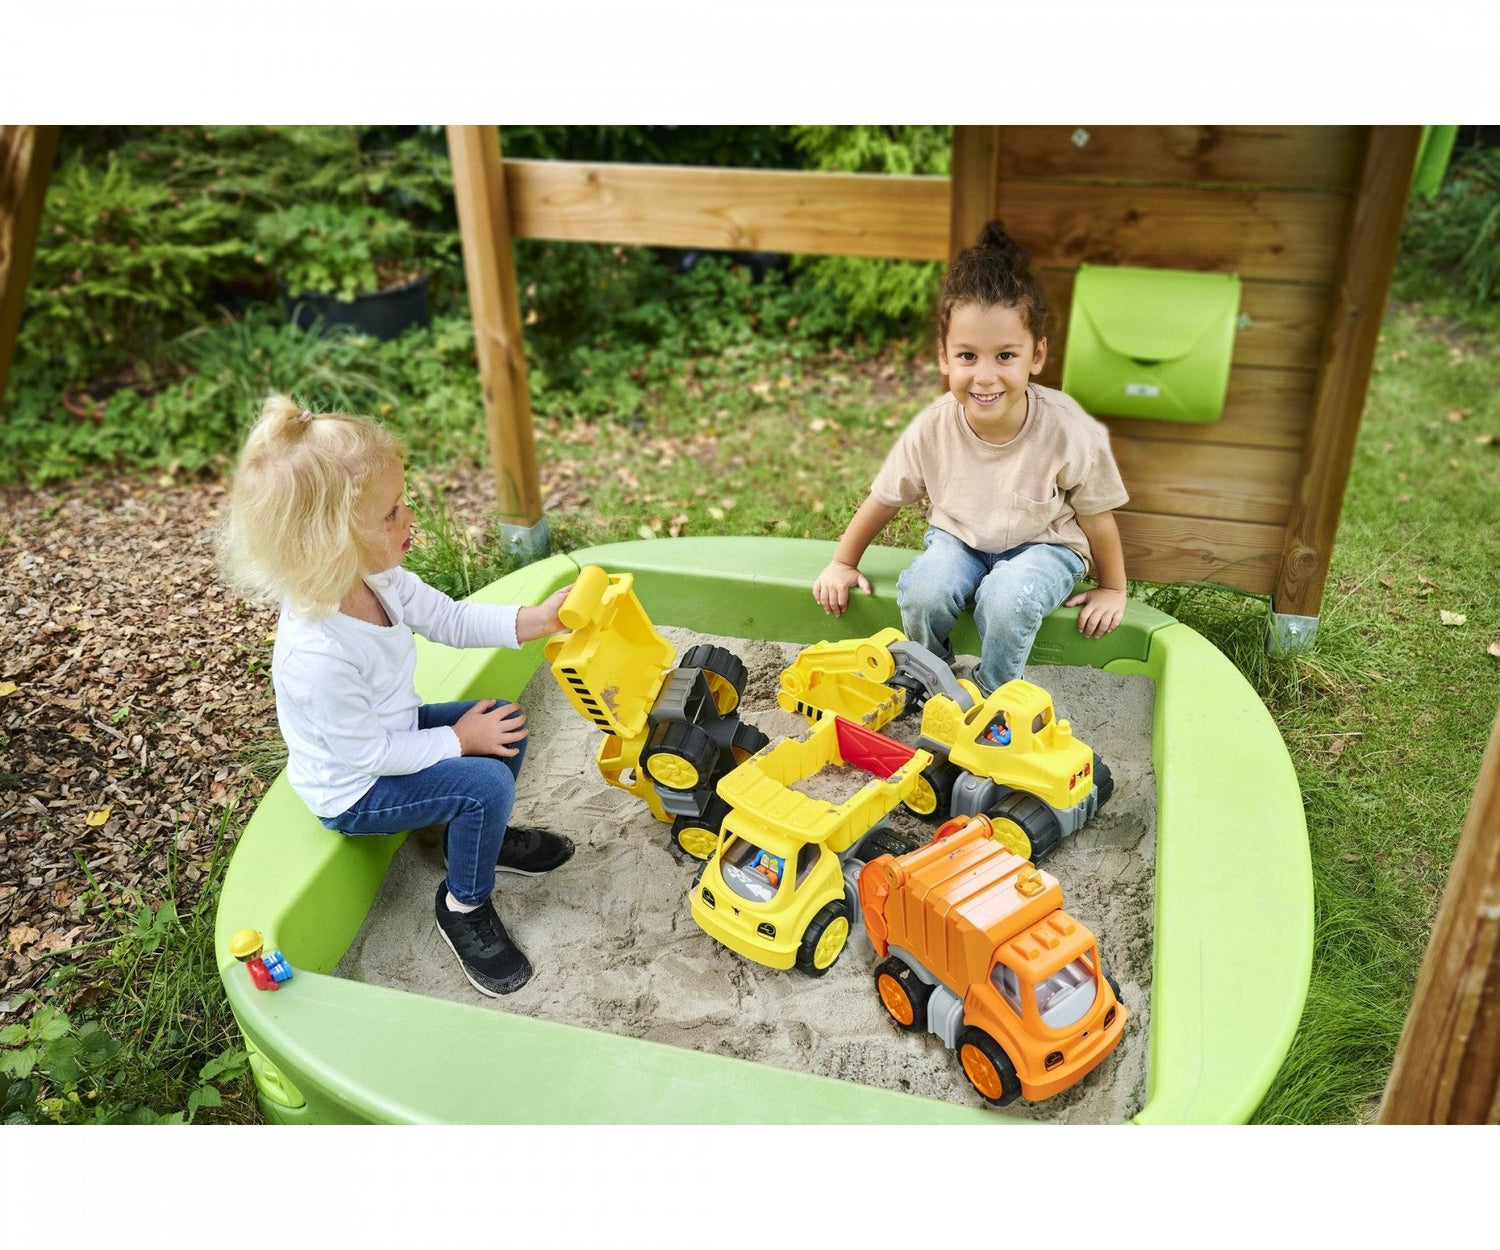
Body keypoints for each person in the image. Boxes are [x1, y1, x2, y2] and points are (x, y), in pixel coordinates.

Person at [218, 394, 573, 997]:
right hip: (356, 789)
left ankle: (472, 842)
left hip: (397, 737)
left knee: (505, 723)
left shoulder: (378, 579)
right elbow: (368, 755)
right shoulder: (316, 654)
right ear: (331, 541)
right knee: (486, 783)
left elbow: (451, 619)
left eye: (402, 501)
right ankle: (463, 906)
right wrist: (458, 739)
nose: (410, 517)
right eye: (391, 512)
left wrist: (534, 620)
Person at [813, 220, 1129, 698]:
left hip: (1045, 546)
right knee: (925, 591)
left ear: (1036, 356)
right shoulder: (933, 427)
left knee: (1006, 599)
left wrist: (1113, 588)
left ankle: (991, 692)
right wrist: (842, 562)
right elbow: (885, 498)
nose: (984, 376)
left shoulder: (1068, 429)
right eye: (967, 356)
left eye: (1005, 356)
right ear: (944, 356)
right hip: (960, 540)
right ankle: (931, 678)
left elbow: (1097, 515)